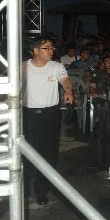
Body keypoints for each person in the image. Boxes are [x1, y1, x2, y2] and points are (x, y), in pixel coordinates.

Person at [23, 36, 73, 205]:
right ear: (35, 50)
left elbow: (65, 80)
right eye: (47, 48)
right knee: (27, 152)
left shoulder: (56, 66)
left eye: (52, 48)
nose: (51, 51)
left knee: (48, 154)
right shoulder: (23, 68)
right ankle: (23, 190)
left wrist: (68, 91)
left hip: (50, 115)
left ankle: (41, 191)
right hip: (27, 115)